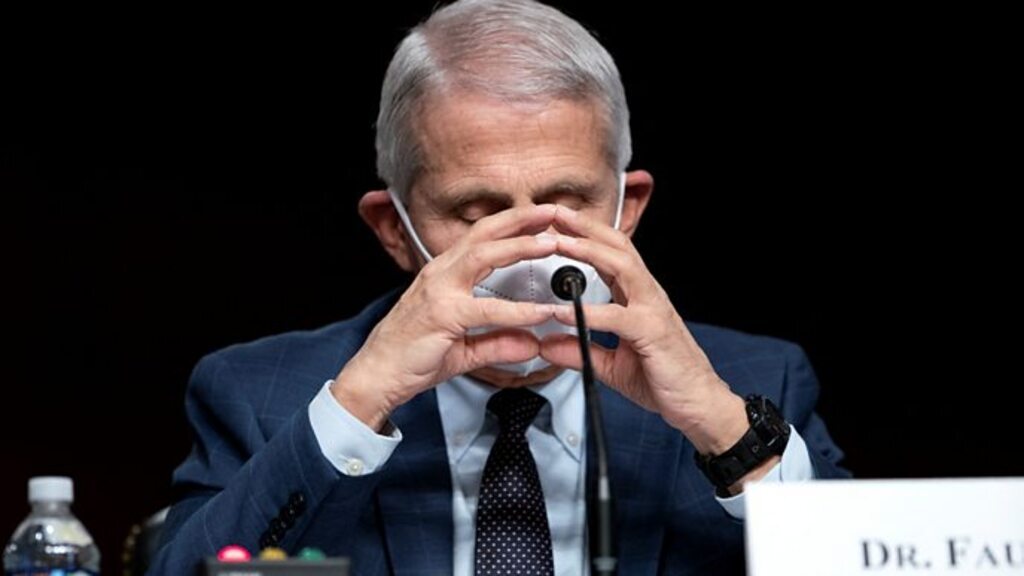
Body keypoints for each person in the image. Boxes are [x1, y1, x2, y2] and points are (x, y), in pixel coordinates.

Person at [150, 0, 849, 574]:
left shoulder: (760, 386)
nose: (530, 252)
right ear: (394, 229)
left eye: (567, 204)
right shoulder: (259, 397)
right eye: (477, 214)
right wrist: (359, 404)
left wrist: (724, 430)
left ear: (627, 208)